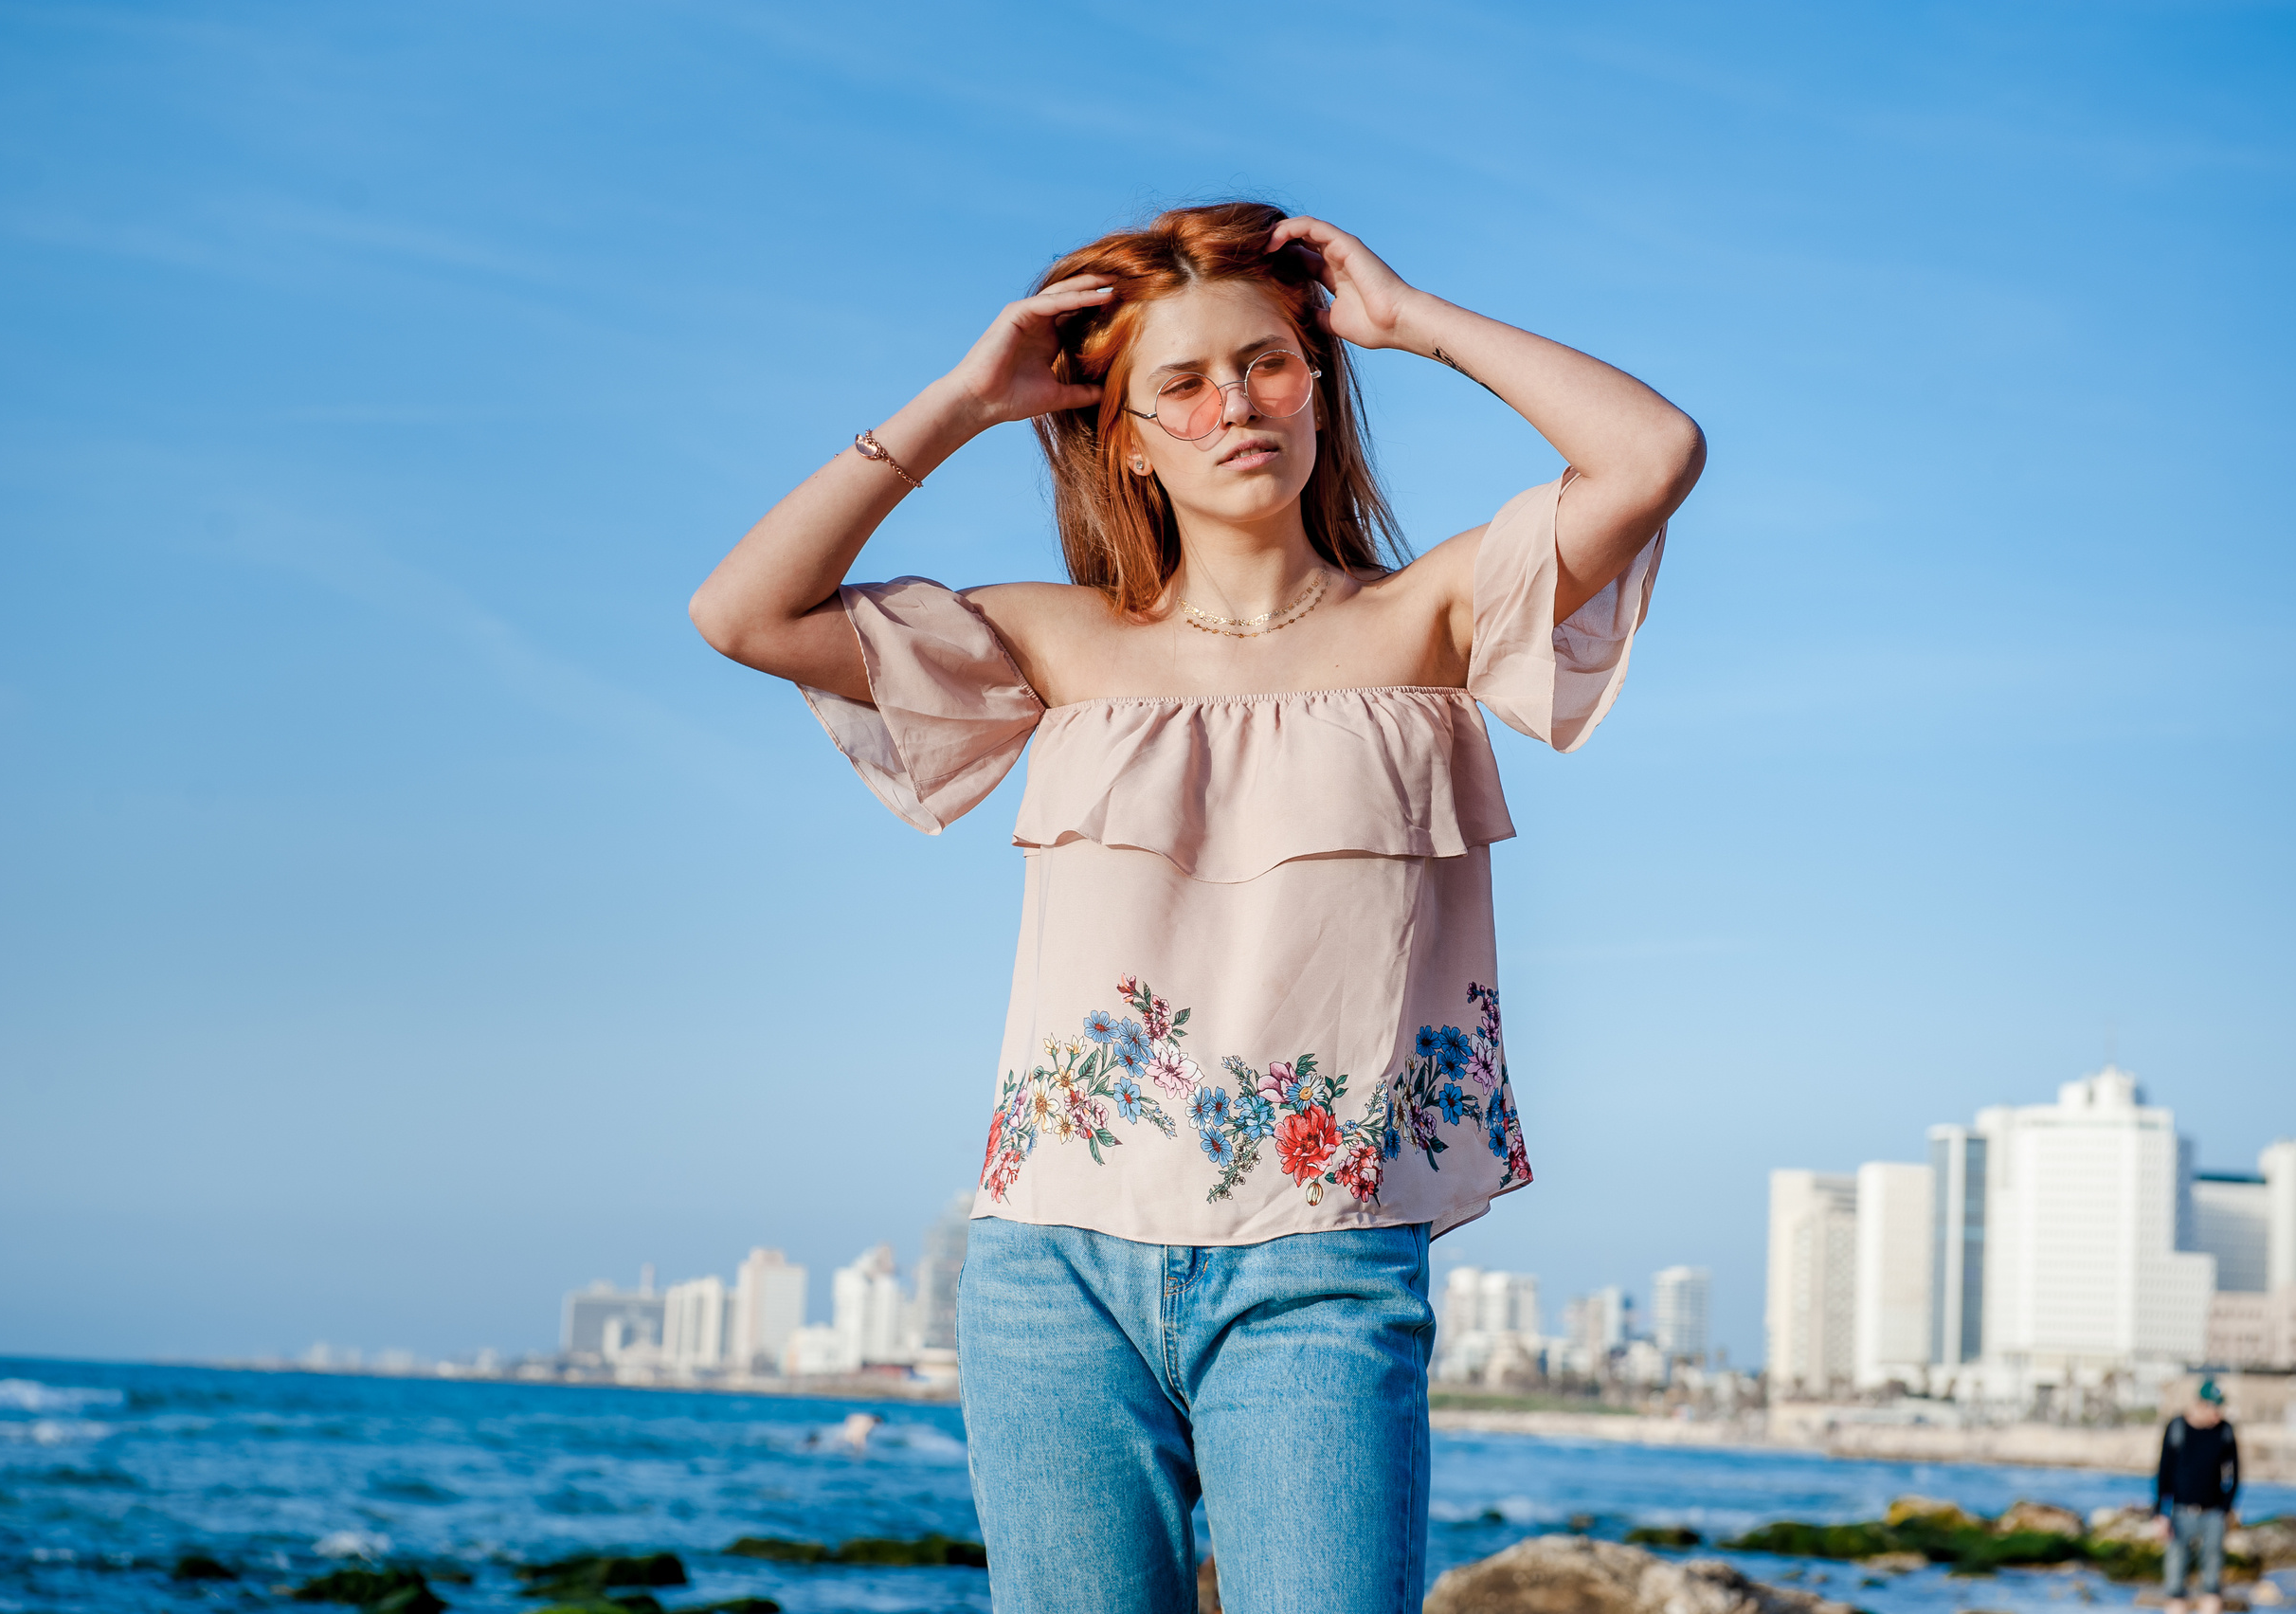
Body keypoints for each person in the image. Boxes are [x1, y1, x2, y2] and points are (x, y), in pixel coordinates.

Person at [689, 200, 1702, 1614]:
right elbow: (741, 611)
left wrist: (1414, 321)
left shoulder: (1430, 618)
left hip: (1323, 1264)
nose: (1235, 403)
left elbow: (1653, 453)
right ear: (1124, 431)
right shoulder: (1055, 641)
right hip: (1054, 1272)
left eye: (1270, 362)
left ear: (1320, 382)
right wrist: (965, 401)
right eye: (1182, 380)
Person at [2155, 1378, 2241, 1614]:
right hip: (2180, 1513)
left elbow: (2234, 1473)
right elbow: (2164, 1472)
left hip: (2214, 1514)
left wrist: (2226, 1508)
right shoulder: (2176, 1427)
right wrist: (2160, 1513)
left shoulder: (2225, 1430)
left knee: (2212, 1584)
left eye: (2219, 1407)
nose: (2217, 1413)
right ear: (2199, 1404)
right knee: (2175, 1584)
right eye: (2213, 1407)